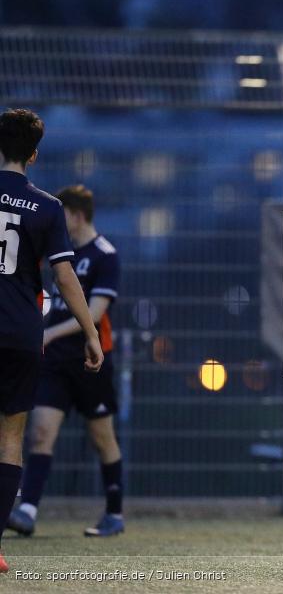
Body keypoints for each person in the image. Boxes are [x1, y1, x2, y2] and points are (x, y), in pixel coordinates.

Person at [0, 109, 103, 573]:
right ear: (34, 155)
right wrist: (90, 333)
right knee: (10, 437)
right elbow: (64, 277)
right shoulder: (46, 207)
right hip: (21, 333)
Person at [6, 184, 123, 539]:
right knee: (41, 432)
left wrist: (49, 333)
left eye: (64, 214)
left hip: (92, 359)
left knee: (102, 437)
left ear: (76, 214)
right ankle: (27, 510)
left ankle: (114, 512)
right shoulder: (60, 251)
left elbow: (96, 312)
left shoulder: (105, 255)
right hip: (56, 361)